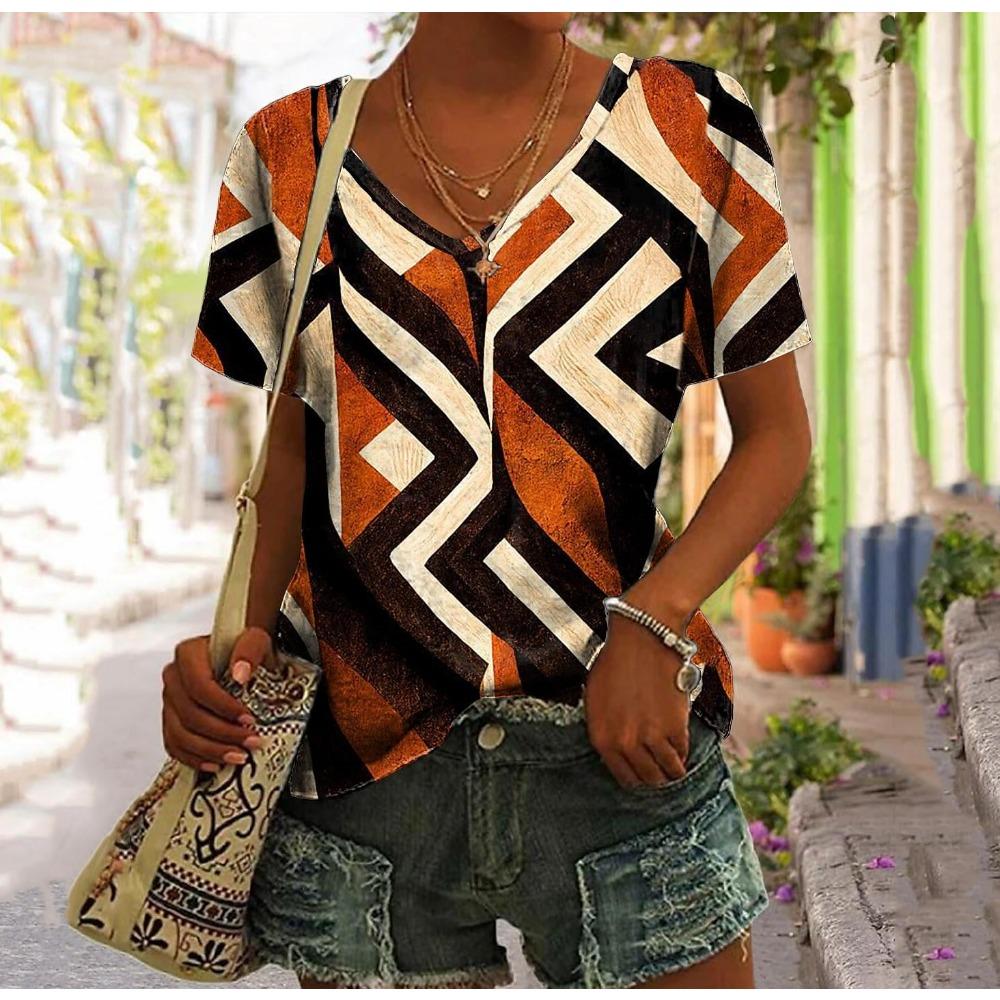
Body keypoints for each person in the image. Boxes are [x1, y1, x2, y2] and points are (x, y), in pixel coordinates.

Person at [167, 11, 813, 989]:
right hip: (366, 787)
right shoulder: (287, 149)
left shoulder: (693, 124)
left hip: (624, 750)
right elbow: (290, 460)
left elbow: (777, 436)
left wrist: (656, 616)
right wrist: (228, 660)